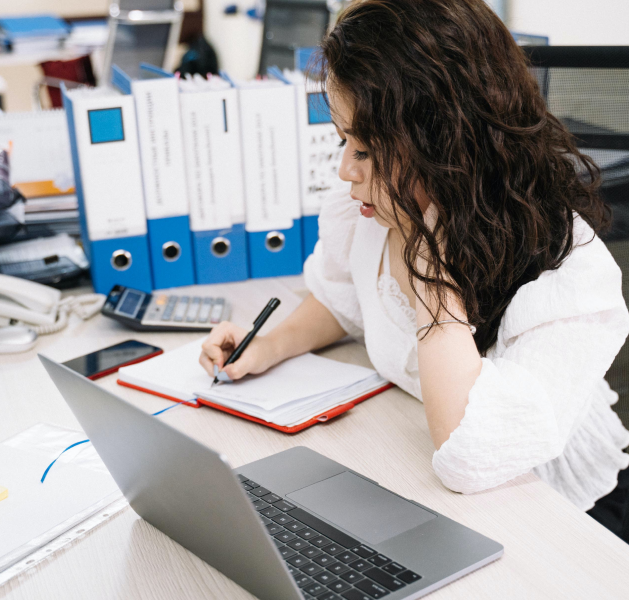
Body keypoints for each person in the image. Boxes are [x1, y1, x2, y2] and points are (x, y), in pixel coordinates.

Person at [200, 0, 629, 541]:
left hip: (555, 510)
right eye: (343, 141)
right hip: (431, 486)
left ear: (447, 145)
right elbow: (343, 302)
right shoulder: (373, 213)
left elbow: (468, 453)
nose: (344, 170)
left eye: (367, 151)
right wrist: (268, 346)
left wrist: (435, 281)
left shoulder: (569, 273)